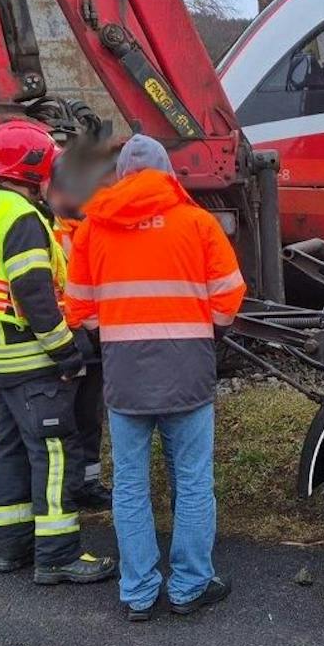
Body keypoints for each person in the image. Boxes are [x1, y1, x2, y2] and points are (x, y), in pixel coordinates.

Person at [63, 134, 246, 620]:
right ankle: (188, 586)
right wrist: (204, 330)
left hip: (126, 375)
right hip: (187, 372)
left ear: (122, 176)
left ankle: (139, 592)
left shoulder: (92, 230)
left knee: (129, 485)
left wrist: (118, 332)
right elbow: (229, 296)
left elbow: (77, 305)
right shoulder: (196, 223)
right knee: (191, 482)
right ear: (169, 174)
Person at [0, 118, 118, 586]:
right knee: (54, 456)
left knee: (9, 452)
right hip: (31, 361)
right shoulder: (24, 220)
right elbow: (35, 297)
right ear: (34, 168)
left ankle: (12, 550)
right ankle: (56, 556)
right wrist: (67, 354)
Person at [48, 175, 111, 512]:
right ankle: (71, 487)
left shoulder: (89, 225)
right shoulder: (50, 229)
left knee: (89, 416)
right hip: (65, 334)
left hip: (88, 332)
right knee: (68, 420)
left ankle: (87, 483)